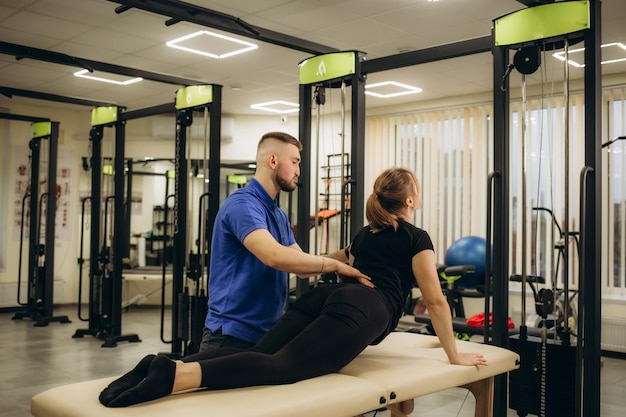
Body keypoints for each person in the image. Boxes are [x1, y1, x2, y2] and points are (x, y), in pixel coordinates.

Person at [99, 167, 487, 408]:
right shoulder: (416, 237)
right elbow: (435, 299)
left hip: (326, 294)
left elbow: (332, 256)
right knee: (281, 367)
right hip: (365, 307)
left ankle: (164, 364)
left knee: (264, 352)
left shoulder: (367, 234)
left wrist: (312, 259)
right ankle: (175, 378)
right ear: (409, 200)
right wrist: (455, 356)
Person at [201, 131, 372, 351]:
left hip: (266, 335)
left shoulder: (278, 215)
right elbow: (274, 257)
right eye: (294, 162)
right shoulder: (242, 204)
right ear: (273, 160)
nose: (298, 171)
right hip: (230, 335)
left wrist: (348, 253)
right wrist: (335, 266)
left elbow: (300, 265)